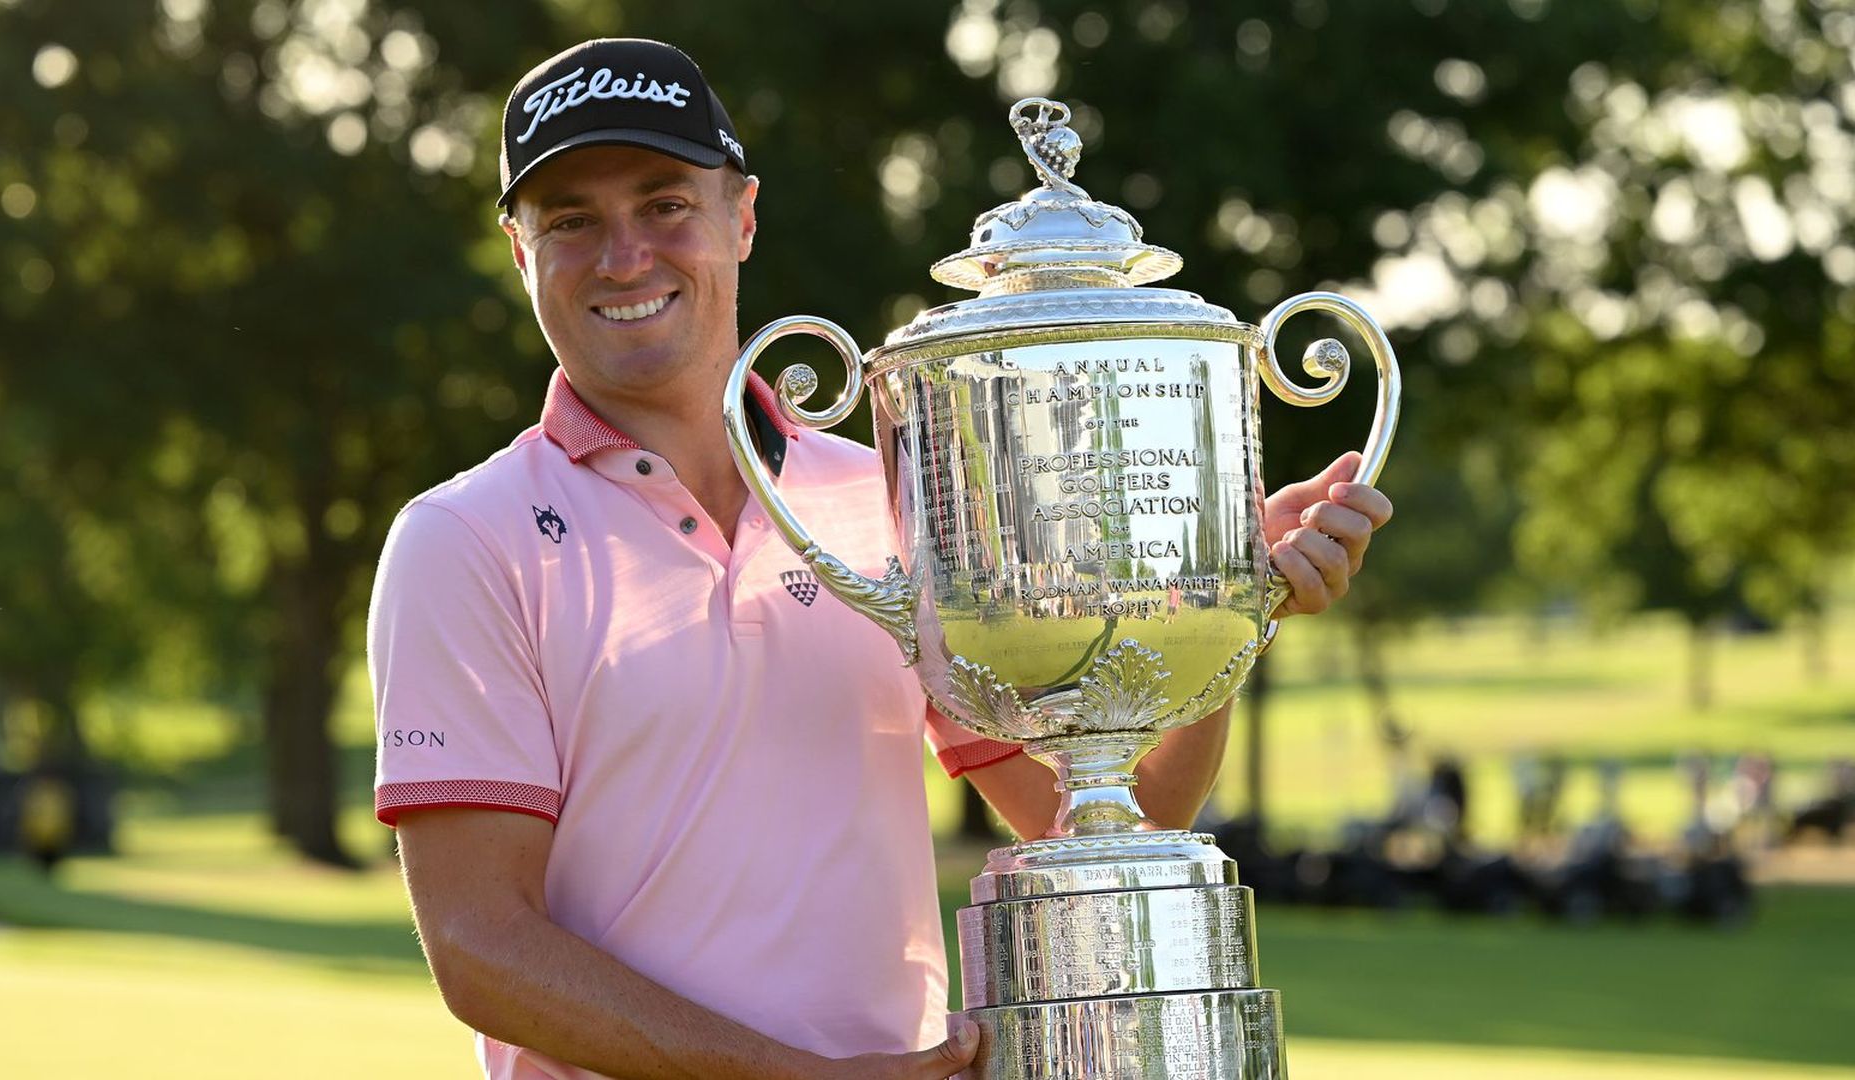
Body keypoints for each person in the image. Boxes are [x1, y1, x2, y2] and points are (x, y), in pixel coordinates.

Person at [368, 38, 1395, 1080]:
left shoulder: (892, 493)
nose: (624, 254)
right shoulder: (465, 538)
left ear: (743, 216)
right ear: (518, 249)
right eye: (571, 221)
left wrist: (1214, 606)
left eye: (665, 203)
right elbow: (480, 947)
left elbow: (1093, 812)